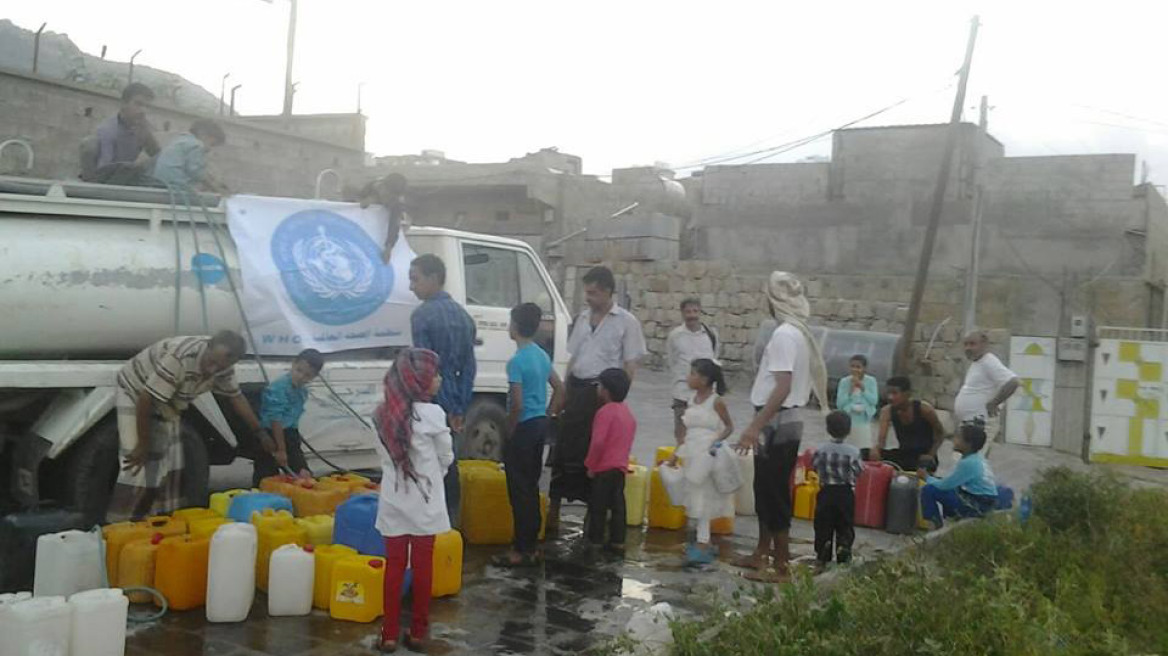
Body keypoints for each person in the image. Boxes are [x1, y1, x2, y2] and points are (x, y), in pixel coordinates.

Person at [109, 331, 269, 522]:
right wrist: (142, 444)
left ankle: (154, 516)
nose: (212, 369)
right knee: (135, 462)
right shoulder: (181, 357)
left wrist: (260, 432)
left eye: (219, 367)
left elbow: (236, 397)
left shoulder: (223, 366)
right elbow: (146, 398)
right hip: (136, 389)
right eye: (212, 362)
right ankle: (120, 522)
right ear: (207, 347)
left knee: (166, 464)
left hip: (169, 400)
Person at [733, 272, 829, 583]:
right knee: (763, 489)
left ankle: (783, 566)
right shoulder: (793, 332)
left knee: (775, 493)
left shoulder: (785, 335)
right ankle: (762, 552)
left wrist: (754, 427)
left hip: (777, 421)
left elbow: (783, 386)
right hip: (779, 420)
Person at [548, 266, 646, 531]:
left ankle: (594, 518)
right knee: (565, 452)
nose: (588, 298)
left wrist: (617, 401)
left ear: (606, 291)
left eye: (592, 293)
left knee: (597, 453)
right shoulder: (582, 319)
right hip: (577, 391)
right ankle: (553, 515)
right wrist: (564, 394)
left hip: (603, 394)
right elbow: (573, 359)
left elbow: (629, 365)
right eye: (587, 293)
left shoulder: (627, 322)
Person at [373, 348, 453, 653]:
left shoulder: (380, 413)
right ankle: (418, 631)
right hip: (425, 500)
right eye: (434, 375)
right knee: (423, 566)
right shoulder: (433, 414)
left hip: (393, 498)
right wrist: (433, 474)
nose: (439, 379)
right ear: (418, 381)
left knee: (393, 566)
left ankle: (389, 633)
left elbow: (383, 456)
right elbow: (446, 456)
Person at [409, 254, 476, 526]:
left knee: (425, 462)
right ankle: (452, 524)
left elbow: (425, 368)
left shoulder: (422, 316)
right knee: (449, 462)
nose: (411, 286)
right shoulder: (464, 316)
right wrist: (459, 407)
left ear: (434, 278)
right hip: (456, 400)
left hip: (430, 398)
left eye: (415, 279)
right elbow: (469, 367)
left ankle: (427, 524)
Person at [497, 303, 565, 567]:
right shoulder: (540, 355)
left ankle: (520, 549)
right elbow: (560, 389)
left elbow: (517, 404)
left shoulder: (516, 362)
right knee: (532, 487)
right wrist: (547, 416)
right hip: (539, 427)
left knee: (519, 490)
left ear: (514, 326)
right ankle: (533, 546)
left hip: (523, 428)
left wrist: (510, 429)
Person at [666, 359, 734, 566]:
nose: (689, 377)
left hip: (707, 453)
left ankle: (704, 541)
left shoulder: (716, 401)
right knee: (692, 494)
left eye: (693, 374)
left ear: (704, 380)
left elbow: (729, 427)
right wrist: (676, 453)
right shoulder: (691, 399)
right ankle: (697, 538)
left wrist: (716, 442)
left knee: (704, 496)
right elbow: (685, 431)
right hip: (691, 451)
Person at [582, 368, 636, 555]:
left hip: (603, 468)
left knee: (598, 507)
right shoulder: (627, 413)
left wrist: (590, 465)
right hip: (620, 467)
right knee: (618, 506)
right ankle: (618, 541)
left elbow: (598, 442)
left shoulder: (604, 412)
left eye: (599, 386)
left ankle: (595, 541)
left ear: (606, 390)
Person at [251, 349, 324, 486]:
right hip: (271, 434)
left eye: (307, 375)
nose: (301, 377)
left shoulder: (302, 391)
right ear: (293, 364)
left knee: (303, 474)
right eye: (299, 370)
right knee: (266, 477)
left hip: (290, 434)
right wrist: (281, 450)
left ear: (314, 377)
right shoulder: (278, 388)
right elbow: (275, 420)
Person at [919, 420, 999, 529]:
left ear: (968, 444)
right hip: (985, 501)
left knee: (928, 490)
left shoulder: (968, 463)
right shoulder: (977, 458)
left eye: (958, 438)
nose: (954, 440)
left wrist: (927, 477)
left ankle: (934, 525)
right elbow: (952, 481)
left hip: (978, 504)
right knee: (948, 488)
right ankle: (952, 518)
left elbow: (945, 485)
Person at [811, 411, 864, 568]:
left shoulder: (820, 449)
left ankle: (822, 557)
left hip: (826, 491)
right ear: (849, 430)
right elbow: (859, 471)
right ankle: (843, 557)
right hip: (845, 493)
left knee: (823, 525)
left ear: (828, 429)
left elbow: (814, 465)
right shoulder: (854, 452)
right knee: (845, 525)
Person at [82, 83, 160, 185]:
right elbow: (105, 170)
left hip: (125, 176)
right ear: (123, 103)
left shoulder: (142, 127)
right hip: (102, 179)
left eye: (147, 106)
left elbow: (158, 156)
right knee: (89, 143)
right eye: (138, 104)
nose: (143, 110)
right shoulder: (108, 130)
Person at [666, 298, 720, 443]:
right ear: (682, 313)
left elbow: (714, 357)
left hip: (705, 395)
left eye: (695, 311)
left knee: (703, 433)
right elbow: (672, 361)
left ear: (700, 312)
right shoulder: (675, 336)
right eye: (688, 311)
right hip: (682, 392)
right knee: (681, 434)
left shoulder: (710, 335)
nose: (692, 315)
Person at [954, 331, 1020, 443]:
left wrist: (994, 403)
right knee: (967, 458)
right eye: (966, 344)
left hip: (980, 423)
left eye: (972, 344)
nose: (968, 348)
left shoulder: (989, 361)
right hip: (970, 423)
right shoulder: (978, 363)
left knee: (970, 458)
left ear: (984, 345)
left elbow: (1013, 382)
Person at [872, 376, 946, 473]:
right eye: (888, 393)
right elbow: (881, 441)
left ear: (907, 394)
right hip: (904, 454)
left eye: (894, 393)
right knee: (865, 453)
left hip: (924, 456)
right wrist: (876, 449)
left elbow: (940, 433)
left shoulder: (924, 409)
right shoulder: (887, 411)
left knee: (924, 466)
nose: (890, 397)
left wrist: (931, 454)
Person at [151, 119, 229, 194]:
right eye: (212, 144)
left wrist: (213, 180)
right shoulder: (197, 145)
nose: (210, 149)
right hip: (175, 185)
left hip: (160, 181)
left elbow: (198, 168)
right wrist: (215, 188)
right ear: (203, 135)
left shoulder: (182, 140)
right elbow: (197, 172)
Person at [834, 354, 879, 456]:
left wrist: (863, 388)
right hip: (848, 419)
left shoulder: (871, 381)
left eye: (858, 367)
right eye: (852, 366)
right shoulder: (844, 381)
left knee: (863, 451)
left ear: (864, 368)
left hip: (864, 420)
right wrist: (850, 391)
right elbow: (840, 404)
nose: (855, 369)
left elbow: (874, 401)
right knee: (847, 450)